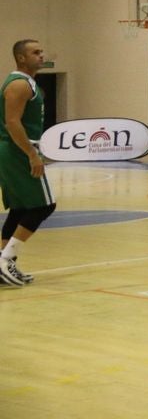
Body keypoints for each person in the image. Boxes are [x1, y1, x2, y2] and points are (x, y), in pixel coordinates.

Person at [0, 39, 54, 287]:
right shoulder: (19, 84)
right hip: (17, 149)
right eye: (35, 52)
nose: (41, 55)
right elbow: (12, 122)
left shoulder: (28, 83)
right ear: (21, 58)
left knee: (21, 209)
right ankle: (6, 260)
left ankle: (0, 261)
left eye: (41, 51)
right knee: (43, 206)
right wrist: (32, 153)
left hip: (14, 149)